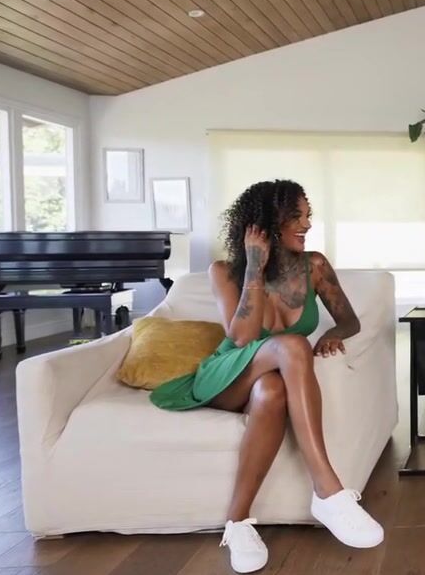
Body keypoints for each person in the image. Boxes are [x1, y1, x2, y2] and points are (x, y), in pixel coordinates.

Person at [149, 180, 382, 573]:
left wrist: (333, 334)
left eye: (308, 215)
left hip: (268, 379)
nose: (307, 224)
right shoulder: (224, 271)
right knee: (293, 345)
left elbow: (350, 320)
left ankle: (238, 524)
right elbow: (241, 337)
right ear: (266, 223)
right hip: (227, 377)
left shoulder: (315, 267)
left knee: (272, 392)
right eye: (296, 216)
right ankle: (328, 490)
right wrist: (255, 267)